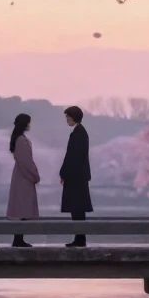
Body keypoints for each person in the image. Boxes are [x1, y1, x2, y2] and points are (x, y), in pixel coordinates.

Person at [59, 105, 93, 247]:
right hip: (78, 177)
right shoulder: (81, 132)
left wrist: (64, 173)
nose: (66, 119)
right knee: (78, 209)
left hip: (76, 178)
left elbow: (72, 157)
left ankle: (80, 239)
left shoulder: (78, 134)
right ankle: (79, 238)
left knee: (77, 209)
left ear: (74, 117)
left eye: (68, 116)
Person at [7, 113, 41, 248]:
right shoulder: (21, 140)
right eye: (29, 122)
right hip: (23, 177)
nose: (30, 125)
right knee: (22, 208)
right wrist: (35, 175)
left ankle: (19, 239)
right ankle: (18, 239)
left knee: (21, 208)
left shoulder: (19, 139)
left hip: (22, 176)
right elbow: (26, 161)